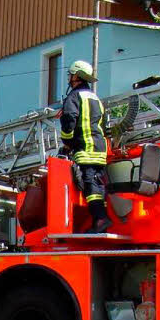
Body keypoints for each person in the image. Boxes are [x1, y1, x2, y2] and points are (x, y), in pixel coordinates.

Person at [59, 60, 110, 233]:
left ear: (76, 76)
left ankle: (100, 219)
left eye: (71, 75)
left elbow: (69, 119)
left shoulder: (74, 96)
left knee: (89, 183)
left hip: (86, 148)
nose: (69, 78)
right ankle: (99, 220)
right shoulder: (96, 98)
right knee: (98, 183)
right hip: (100, 147)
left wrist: (66, 142)